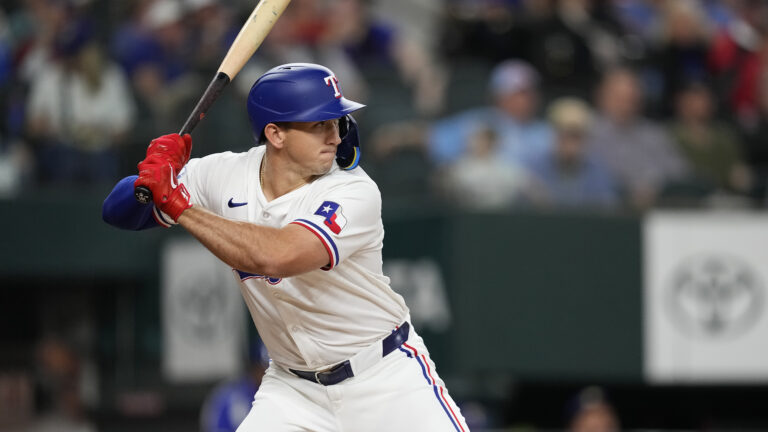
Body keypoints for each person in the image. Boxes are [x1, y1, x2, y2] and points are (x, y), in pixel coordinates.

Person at [102, 63, 469, 432]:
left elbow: (278, 256)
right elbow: (117, 213)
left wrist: (179, 205)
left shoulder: (353, 190)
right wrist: (148, 179)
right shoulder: (224, 174)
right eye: (318, 124)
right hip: (294, 391)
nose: (335, 136)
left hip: (385, 379)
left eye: (337, 121)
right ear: (275, 134)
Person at [523, 97, 618, 210]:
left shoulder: (599, 172)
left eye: (575, 136)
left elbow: (608, 208)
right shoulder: (535, 169)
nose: (569, 143)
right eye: (564, 135)